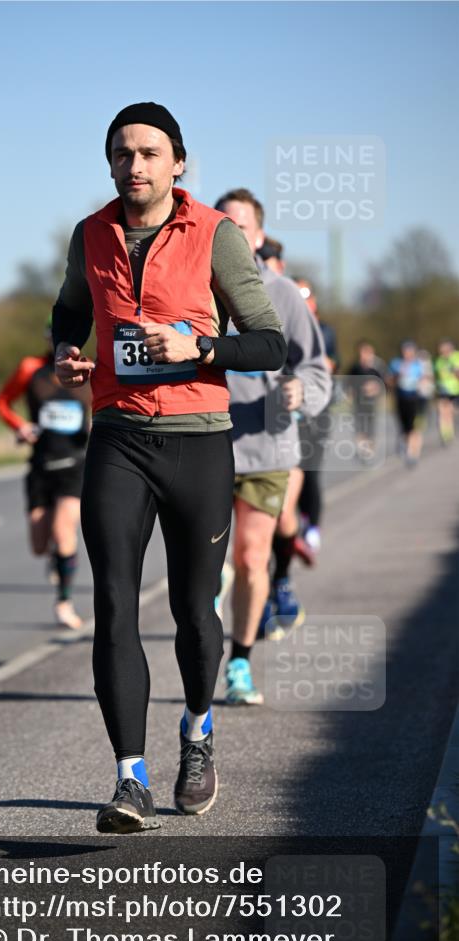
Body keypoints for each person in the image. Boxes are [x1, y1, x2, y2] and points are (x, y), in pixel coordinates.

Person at [52, 102, 286, 833]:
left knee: (193, 609)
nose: (135, 165)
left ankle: (196, 727)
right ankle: (129, 779)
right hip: (118, 436)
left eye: (149, 153)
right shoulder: (89, 236)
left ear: (177, 162)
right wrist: (65, 354)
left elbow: (269, 344)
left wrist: (199, 348)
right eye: (122, 153)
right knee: (115, 604)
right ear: (110, 163)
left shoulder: (214, 235)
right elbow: (68, 312)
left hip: (198, 441)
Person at [213, 189, 331, 705]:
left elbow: (314, 367)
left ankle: (239, 661)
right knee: (203, 567)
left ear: (259, 238)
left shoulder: (283, 294)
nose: (234, 235)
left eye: (243, 227)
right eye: (225, 226)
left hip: (266, 445)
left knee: (252, 554)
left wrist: (301, 390)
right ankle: (202, 659)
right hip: (203, 444)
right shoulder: (194, 291)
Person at [0, 321, 91, 629]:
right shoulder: (30, 368)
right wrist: (19, 426)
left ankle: (64, 602)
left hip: (75, 464)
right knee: (38, 544)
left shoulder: (89, 370)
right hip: (41, 464)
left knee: (64, 531)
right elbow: (1, 402)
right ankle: (55, 558)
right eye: (54, 338)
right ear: (48, 339)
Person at [294, 278, 340, 553]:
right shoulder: (284, 326)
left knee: (310, 471)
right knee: (291, 472)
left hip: (316, 410)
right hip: (287, 411)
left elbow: (330, 364)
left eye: (305, 297)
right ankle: (299, 519)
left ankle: (313, 526)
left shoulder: (325, 331)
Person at [346, 340, 387, 463]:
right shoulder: (355, 367)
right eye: (362, 352)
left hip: (372, 403)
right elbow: (348, 383)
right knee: (359, 427)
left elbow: (385, 384)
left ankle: (369, 449)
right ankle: (363, 451)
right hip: (358, 402)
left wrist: (375, 389)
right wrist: (350, 394)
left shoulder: (378, 367)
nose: (364, 355)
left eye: (367, 352)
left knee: (370, 428)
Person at [387, 340, 426, 466]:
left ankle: (413, 453)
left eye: (409, 351)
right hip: (400, 398)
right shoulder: (396, 363)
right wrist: (398, 376)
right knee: (404, 428)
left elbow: (424, 380)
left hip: (414, 399)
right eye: (405, 350)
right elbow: (389, 381)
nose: (407, 353)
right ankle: (405, 444)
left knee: (414, 427)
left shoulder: (418, 364)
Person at [434, 339, 459, 444]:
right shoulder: (439, 361)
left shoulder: (456, 357)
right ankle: (446, 434)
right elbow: (437, 376)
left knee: (453, 412)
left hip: (456, 390)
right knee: (443, 412)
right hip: (444, 391)